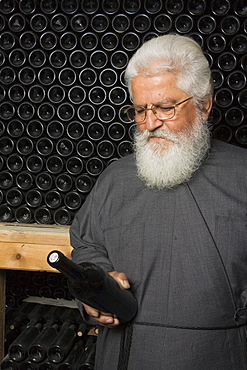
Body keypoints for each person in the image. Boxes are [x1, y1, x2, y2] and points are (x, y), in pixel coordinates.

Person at [70, 34, 247, 369]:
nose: (150, 124)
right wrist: (95, 291)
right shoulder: (115, 179)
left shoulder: (243, 176)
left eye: (165, 108)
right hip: (123, 355)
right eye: (140, 110)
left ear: (203, 105)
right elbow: (87, 245)